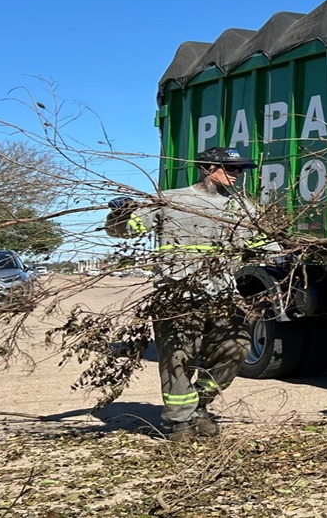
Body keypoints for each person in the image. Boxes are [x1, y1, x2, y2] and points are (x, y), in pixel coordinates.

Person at [106, 147, 273, 442]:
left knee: (236, 350)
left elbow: (264, 245)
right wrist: (119, 213)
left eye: (241, 170)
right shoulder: (171, 200)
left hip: (220, 294)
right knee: (178, 359)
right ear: (208, 167)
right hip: (176, 294)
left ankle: (199, 406)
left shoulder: (243, 209)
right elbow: (125, 231)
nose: (237, 175)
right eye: (231, 169)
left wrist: (293, 246)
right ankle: (180, 423)